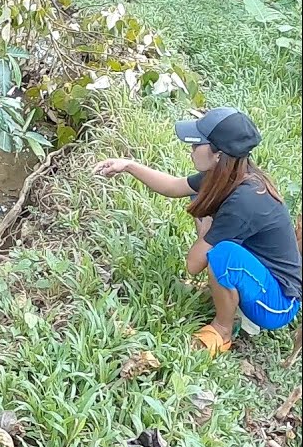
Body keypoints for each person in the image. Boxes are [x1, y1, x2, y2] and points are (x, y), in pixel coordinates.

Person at [94, 107, 301, 355]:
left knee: (222, 254)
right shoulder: (229, 173)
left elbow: (193, 263)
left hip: (278, 304)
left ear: (218, 155)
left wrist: (207, 225)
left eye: (197, 144)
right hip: (260, 275)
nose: (191, 149)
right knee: (203, 207)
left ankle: (223, 329)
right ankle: (228, 295)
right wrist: (128, 165)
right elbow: (174, 186)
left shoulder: (244, 200)